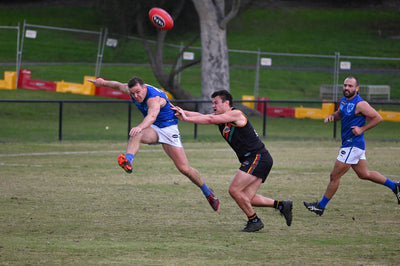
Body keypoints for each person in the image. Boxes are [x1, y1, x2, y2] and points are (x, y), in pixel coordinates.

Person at [88, 77, 220, 211]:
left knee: (184, 169)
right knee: (136, 134)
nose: (136, 96)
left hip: (168, 128)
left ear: (144, 88)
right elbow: (117, 85)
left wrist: (140, 126)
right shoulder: (131, 90)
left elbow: (152, 116)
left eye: (138, 92)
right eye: (133, 93)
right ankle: (128, 160)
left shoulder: (154, 98)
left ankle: (208, 193)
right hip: (154, 129)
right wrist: (102, 83)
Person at [171, 90, 293, 232]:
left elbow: (210, 119)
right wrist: (182, 112)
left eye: (216, 103)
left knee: (234, 190)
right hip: (257, 159)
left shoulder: (236, 114)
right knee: (247, 198)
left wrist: (186, 119)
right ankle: (282, 205)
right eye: (213, 103)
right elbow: (204, 116)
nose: (213, 106)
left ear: (227, 103)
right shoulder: (222, 118)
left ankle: (254, 221)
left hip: (257, 157)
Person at [304, 76, 400, 216]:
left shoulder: (360, 104)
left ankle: (320, 206)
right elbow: (340, 114)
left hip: (352, 145)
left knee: (334, 176)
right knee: (364, 174)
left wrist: (362, 129)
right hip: (352, 145)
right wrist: (333, 115)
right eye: (345, 85)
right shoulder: (343, 101)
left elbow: (378, 118)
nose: (347, 88)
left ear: (357, 88)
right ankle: (395, 187)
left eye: (350, 86)